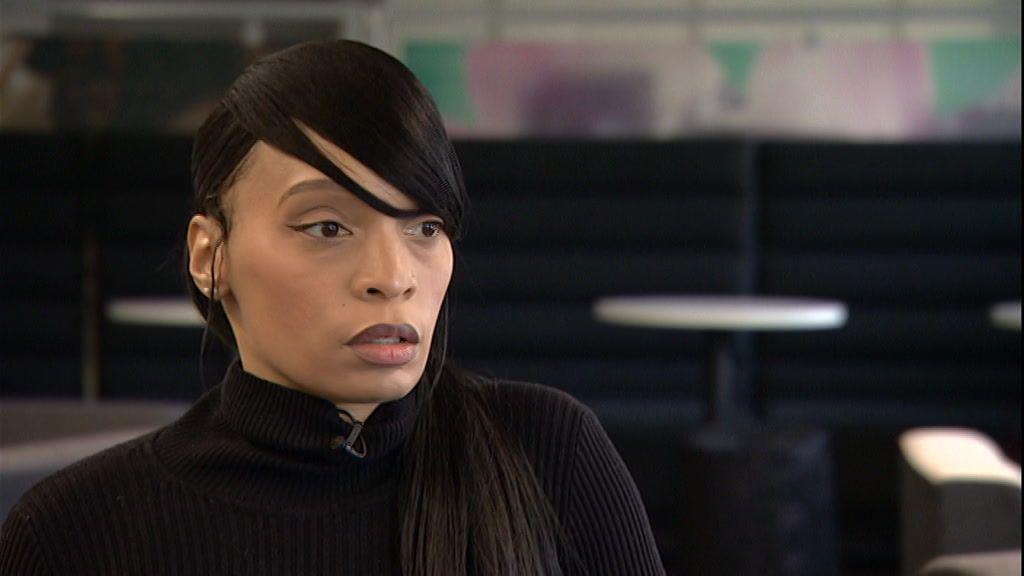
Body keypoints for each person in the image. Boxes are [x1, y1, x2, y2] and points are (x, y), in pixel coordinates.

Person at [0, 39, 665, 575]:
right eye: (326, 227)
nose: (392, 276)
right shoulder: (77, 530)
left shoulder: (547, 453)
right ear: (210, 256)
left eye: (424, 227)